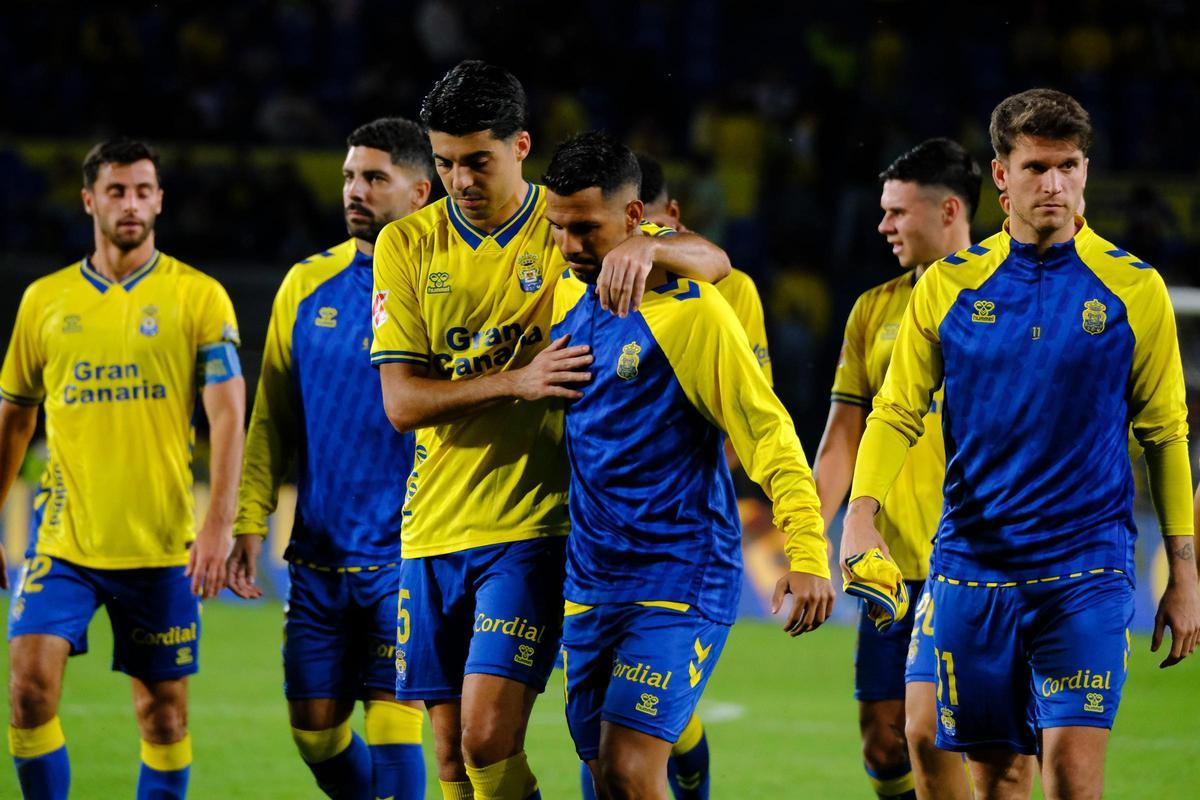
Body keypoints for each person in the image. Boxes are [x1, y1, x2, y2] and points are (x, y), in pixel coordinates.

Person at [369, 61, 730, 800]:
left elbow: (714, 260)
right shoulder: (406, 245)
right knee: (454, 762)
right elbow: (401, 403)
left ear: (521, 146)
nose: (459, 179)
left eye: (478, 160)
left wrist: (650, 246)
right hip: (433, 524)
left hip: (536, 523)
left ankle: (680, 750)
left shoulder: (568, 219)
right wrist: (518, 381)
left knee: (486, 736)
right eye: (443, 162)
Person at [842, 89, 1200, 799]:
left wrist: (1184, 570)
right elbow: (895, 412)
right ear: (1002, 177)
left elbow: (1166, 433)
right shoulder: (948, 287)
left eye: (1070, 166)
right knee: (1000, 778)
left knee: (1071, 774)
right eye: (1037, 168)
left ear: (1087, 171)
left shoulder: (1135, 290)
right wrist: (860, 515)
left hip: (1086, 572)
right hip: (974, 569)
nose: (1056, 185)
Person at [543, 130, 835, 800]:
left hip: (680, 573)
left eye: (586, 229)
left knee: (627, 766)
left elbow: (770, 435)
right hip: (592, 579)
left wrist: (809, 552)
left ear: (636, 218)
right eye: (559, 229)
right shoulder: (564, 301)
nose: (569, 246)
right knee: (603, 772)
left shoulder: (696, 316)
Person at [1, 138, 244, 800]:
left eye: (142, 191)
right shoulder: (44, 302)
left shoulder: (200, 298)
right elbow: (15, 418)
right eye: (116, 191)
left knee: (162, 716)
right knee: (27, 690)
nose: (131, 204)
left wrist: (217, 526)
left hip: (161, 544)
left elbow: (226, 418)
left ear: (160, 201)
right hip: (64, 539)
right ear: (89, 201)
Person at [229, 118, 433, 799]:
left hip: (407, 553)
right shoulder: (305, 285)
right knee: (314, 733)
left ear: (420, 193)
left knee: (395, 721)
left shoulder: (443, 289)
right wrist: (249, 518)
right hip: (316, 554)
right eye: (350, 176)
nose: (354, 190)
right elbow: (272, 418)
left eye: (375, 178)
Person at [812, 138, 984, 800]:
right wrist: (807, 538)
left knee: (964, 742)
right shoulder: (873, 309)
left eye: (896, 212)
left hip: (979, 565)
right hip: (891, 568)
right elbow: (842, 439)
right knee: (884, 746)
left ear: (948, 211)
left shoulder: (1009, 297)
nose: (882, 225)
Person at [637, 152, 772, 384]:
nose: (650, 238)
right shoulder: (600, 287)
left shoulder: (735, 287)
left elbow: (755, 392)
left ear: (673, 214)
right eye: (638, 232)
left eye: (657, 227)